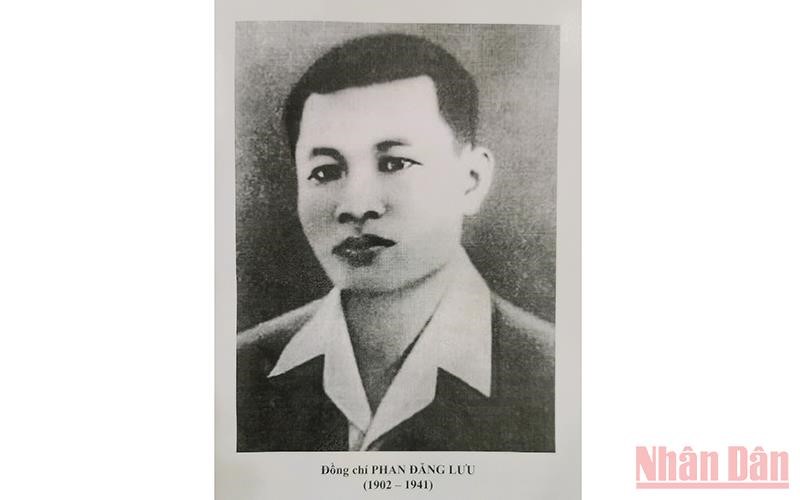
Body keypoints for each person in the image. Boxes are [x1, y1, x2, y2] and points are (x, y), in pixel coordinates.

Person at [237, 33, 554, 451]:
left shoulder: (563, 377)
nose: (357, 206)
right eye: (325, 171)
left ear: (471, 181)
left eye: (394, 163)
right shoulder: (234, 373)